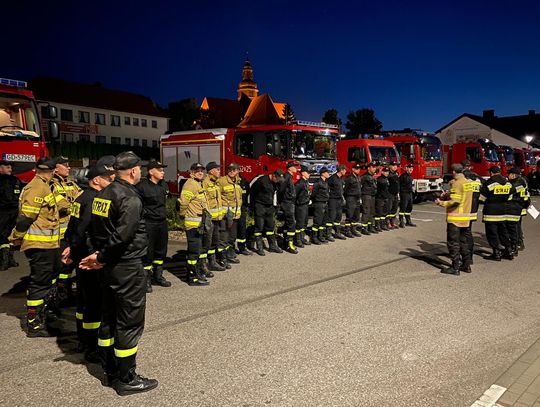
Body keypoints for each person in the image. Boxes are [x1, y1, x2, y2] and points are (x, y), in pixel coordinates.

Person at [80, 151, 158, 395]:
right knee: (129, 321)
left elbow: (93, 229)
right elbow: (123, 236)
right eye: (140, 169)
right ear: (134, 171)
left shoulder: (102, 194)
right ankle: (126, 377)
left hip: (108, 267)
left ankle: (110, 370)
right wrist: (101, 257)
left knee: (109, 317)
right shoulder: (129, 198)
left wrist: (98, 256)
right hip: (125, 265)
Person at [64, 163, 114, 360]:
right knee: (93, 302)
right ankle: (91, 346)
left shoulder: (81, 196)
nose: (110, 181)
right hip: (88, 257)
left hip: (80, 254)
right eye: (107, 178)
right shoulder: (93, 198)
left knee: (84, 302)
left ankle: (84, 339)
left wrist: (70, 247)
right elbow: (84, 229)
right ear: (95, 180)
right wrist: (84, 251)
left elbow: (72, 227)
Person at [9, 157, 62, 337]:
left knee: (49, 277)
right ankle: (34, 324)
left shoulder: (44, 185)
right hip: (40, 245)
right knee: (39, 282)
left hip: (49, 244)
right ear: (53, 171)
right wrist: (16, 237)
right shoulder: (37, 188)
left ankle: (45, 314)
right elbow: (26, 218)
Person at [136, 159, 172, 292]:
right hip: (148, 223)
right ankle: (146, 280)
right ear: (151, 171)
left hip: (162, 222)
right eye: (160, 170)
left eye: (163, 170)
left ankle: (158, 276)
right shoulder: (141, 186)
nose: (163, 172)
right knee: (148, 252)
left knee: (161, 250)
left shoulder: (164, 185)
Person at [435, 163, 476, 275]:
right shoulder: (467, 183)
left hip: (455, 217)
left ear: (453, 172)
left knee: (453, 243)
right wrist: (448, 194)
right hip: (465, 217)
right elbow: (461, 197)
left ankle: (455, 267)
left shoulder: (457, 184)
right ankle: (466, 265)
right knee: (463, 242)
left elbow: (455, 201)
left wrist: (441, 202)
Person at [51, 156, 81, 305]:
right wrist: (75, 206)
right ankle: (59, 294)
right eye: (65, 166)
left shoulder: (71, 183)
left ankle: (66, 291)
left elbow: (81, 198)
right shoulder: (51, 185)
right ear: (56, 168)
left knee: (69, 264)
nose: (68, 168)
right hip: (58, 233)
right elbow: (61, 206)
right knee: (60, 265)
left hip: (71, 231)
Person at [178, 163, 211, 285]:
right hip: (192, 224)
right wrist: (183, 215)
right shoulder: (190, 184)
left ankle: (197, 273)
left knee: (197, 250)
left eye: (202, 170)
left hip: (199, 223)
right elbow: (183, 203)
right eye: (197, 171)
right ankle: (192, 277)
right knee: (193, 251)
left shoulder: (198, 183)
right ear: (191, 172)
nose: (200, 172)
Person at [479, 166, 514, 261]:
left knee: (492, 233)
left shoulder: (489, 183)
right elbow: (510, 198)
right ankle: (509, 251)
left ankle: (496, 253)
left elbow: (481, 199)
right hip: (503, 212)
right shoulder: (508, 183)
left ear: (491, 173)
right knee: (503, 232)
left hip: (491, 212)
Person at [250, 169, 284, 255]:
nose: (278, 181)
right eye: (278, 179)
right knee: (259, 227)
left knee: (270, 227)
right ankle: (259, 247)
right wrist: (253, 207)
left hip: (269, 207)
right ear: (273, 175)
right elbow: (253, 192)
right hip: (260, 206)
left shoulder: (275, 182)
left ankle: (272, 246)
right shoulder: (261, 181)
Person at [217, 163, 243, 265]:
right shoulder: (222, 181)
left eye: (234, 169)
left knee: (232, 236)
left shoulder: (238, 181)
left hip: (235, 215)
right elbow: (217, 197)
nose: (232, 171)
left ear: (238, 171)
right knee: (224, 237)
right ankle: (222, 258)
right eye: (230, 169)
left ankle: (230, 255)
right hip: (225, 215)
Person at [202, 161, 225, 273]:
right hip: (209, 219)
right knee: (207, 242)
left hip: (217, 219)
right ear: (211, 171)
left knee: (214, 242)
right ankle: (204, 264)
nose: (219, 171)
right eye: (217, 169)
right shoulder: (205, 183)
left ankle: (212, 262)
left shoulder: (216, 183)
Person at [0, 160, 22, 270]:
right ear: (0, 168)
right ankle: (6, 259)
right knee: (4, 235)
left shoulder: (15, 180)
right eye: (7, 167)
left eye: (10, 167)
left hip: (11, 212)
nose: (10, 169)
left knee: (8, 235)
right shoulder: (5, 180)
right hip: (4, 212)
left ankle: (8, 259)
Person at [461, 160, 482, 264]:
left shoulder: (463, 178)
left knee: (464, 234)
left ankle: (467, 257)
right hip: (474, 209)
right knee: (468, 231)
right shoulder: (477, 178)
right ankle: (469, 255)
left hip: (464, 210)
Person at [506, 167, 530, 254]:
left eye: (509, 174)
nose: (508, 175)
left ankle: (519, 243)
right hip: (521, 204)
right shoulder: (522, 180)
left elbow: (511, 191)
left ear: (513, 175)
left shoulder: (519, 182)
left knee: (516, 226)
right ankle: (518, 242)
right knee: (516, 225)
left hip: (518, 205)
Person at [278, 162, 299, 254]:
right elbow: (281, 189)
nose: (297, 169)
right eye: (295, 167)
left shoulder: (289, 177)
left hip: (289, 202)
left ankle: (285, 243)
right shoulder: (286, 177)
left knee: (288, 223)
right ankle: (289, 244)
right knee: (291, 223)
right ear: (289, 168)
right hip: (287, 203)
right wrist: (282, 201)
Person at [310, 167, 331, 244]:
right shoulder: (318, 183)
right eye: (327, 172)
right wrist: (316, 202)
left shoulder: (326, 182)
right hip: (319, 204)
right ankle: (314, 238)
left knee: (323, 222)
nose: (328, 174)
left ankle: (320, 236)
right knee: (317, 222)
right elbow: (313, 194)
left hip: (325, 203)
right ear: (323, 173)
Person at [328, 164, 348, 239]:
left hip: (339, 200)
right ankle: (328, 234)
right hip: (333, 200)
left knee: (338, 217)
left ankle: (337, 232)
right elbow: (327, 187)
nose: (345, 172)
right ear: (341, 170)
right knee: (331, 217)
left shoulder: (341, 178)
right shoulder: (332, 178)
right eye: (345, 170)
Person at [236, 173, 253, 256]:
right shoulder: (225, 182)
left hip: (242, 208)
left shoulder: (244, 182)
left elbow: (248, 192)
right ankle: (230, 249)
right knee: (231, 231)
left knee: (242, 228)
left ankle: (242, 247)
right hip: (232, 209)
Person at [294, 165, 311, 247]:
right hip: (300, 206)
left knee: (304, 223)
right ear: (303, 173)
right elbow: (294, 195)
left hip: (305, 205)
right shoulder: (299, 183)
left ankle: (302, 238)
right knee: (299, 223)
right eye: (308, 173)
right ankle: (297, 240)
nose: (309, 174)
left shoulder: (306, 182)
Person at [360, 162, 378, 235]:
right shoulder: (365, 176)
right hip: (366, 195)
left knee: (372, 211)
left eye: (375, 167)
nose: (374, 168)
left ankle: (370, 226)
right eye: (373, 167)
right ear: (368, 168)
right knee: (366, 211)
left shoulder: (372, 176)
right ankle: (364, 227)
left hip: (372, 195)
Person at [375, 167, 391, 231]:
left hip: (385, 198)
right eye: (385, 172)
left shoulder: (387, 179)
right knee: (378, 212)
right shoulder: (379, 179)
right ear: (382, 172)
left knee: (384, 212)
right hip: (380, 198)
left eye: (388, 172)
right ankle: (377, 225)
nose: (387, 173)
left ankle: (383, 225)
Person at [387, 161, 400, 229]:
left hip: (395, 194)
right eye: (393, 165)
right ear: (390, 166)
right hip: (390, 194)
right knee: (389, 208)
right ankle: (388, 222)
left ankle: (393, 221)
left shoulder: (396, 174)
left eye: (396, 166)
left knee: (394, 209)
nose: (395, 167)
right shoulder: (388, 174)